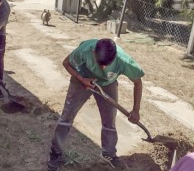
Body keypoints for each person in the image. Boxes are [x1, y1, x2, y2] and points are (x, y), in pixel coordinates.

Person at [47, 38, 145, 171]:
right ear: (93, 52)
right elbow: (66, 63)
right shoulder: (84, 50)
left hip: (107, 83)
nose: (103, 68)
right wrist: (82, 79)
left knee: (109, 120)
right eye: (100, 63)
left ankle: (109, 153)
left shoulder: (124, 61)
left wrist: (136, 110)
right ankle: (55, 152)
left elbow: (138, 82)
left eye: (107, 64)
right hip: (82, 78)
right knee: (67, 116)